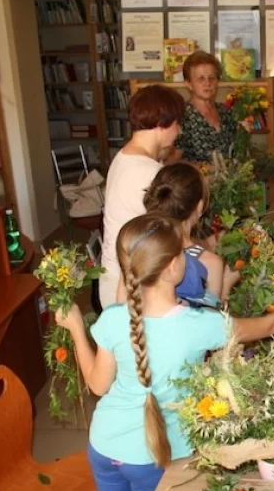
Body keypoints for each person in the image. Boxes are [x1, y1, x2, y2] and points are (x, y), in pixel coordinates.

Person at [56, 215, 274, 491]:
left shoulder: (114, 318)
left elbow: (98, 384)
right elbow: (267, 326)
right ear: (175, 266)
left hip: (103, 447)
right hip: (158, 454)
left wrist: (76, 327)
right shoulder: (203, 325)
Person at [99, 84, 185, 309]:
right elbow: (172, 235)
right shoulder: (149, 173)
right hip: (130, 290)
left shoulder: (124, 156)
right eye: (176, 123)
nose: (179, 131)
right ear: (161, 124)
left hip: (115, 278)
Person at [143, 163, 229, 307]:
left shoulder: (139, 248)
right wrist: (228, 282)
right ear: (200, 206)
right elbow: (211, 323)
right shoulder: (210, 262)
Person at [170, 51, 245, 164]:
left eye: (212, 78)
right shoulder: (182, 116)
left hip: (231, 179)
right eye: (201, 79)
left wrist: (244, 133)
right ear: (189, 84)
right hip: (196, 180)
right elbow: (172, 162)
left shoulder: (226, 112)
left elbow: (237, 152)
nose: (208, 83)